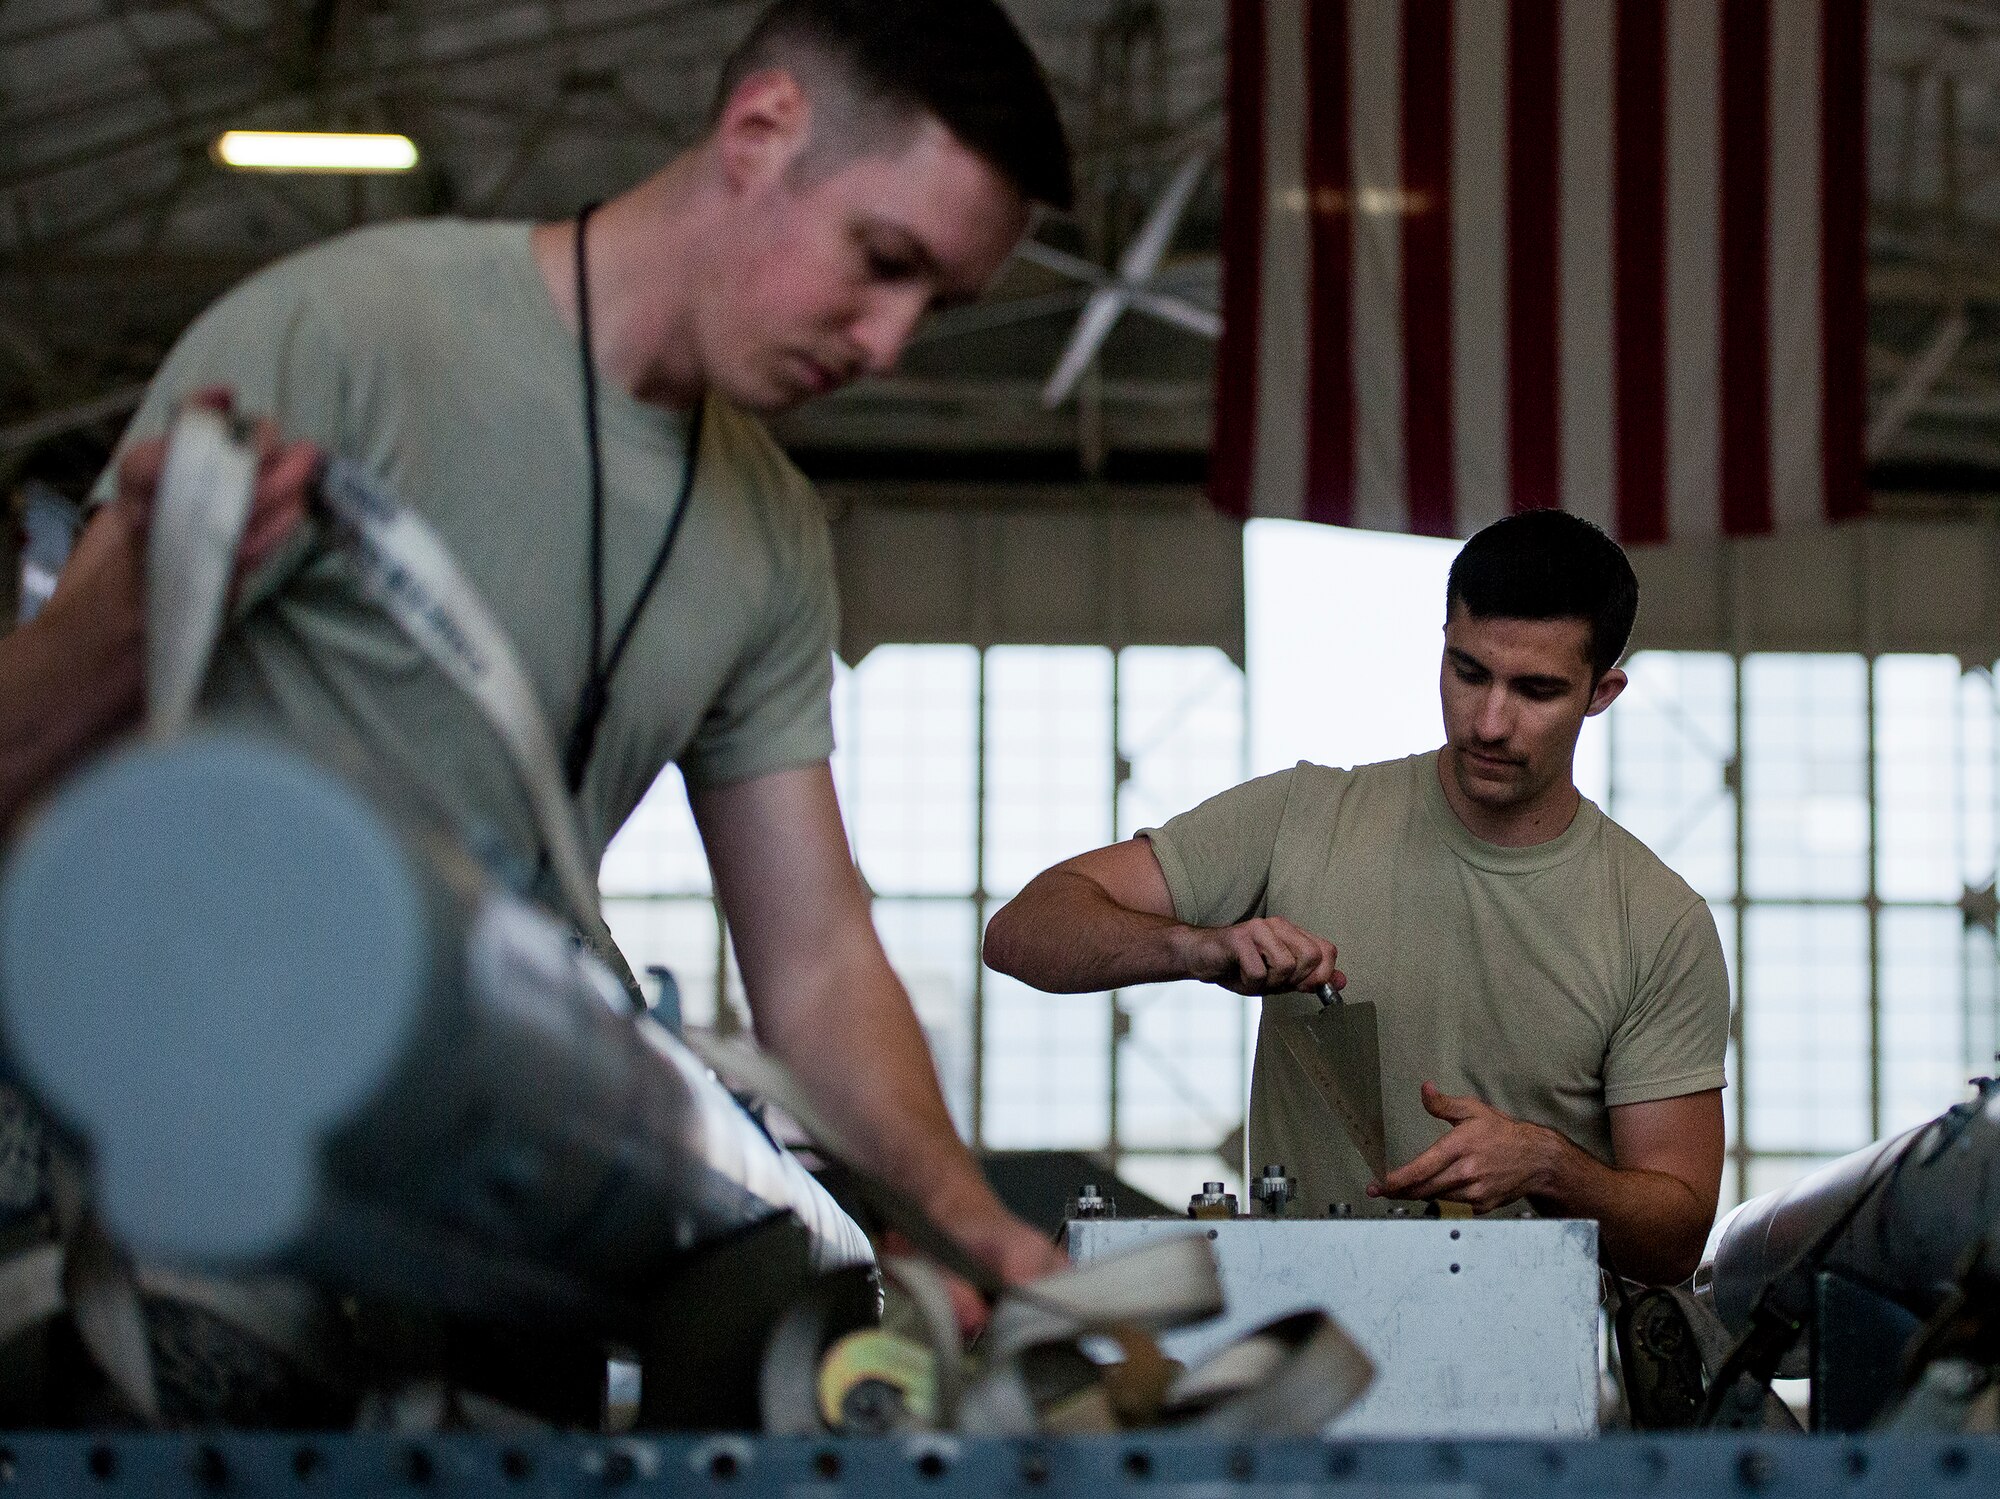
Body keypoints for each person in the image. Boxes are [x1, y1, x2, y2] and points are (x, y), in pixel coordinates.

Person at [0, 0, 1073, 1293]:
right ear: (761, 131)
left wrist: (961, 1215)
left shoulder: (774, 531)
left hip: (490, 1172)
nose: (890, 344)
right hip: (206, 1164)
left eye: (934, 302)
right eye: (882, 259)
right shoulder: (349, 336)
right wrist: (129, 609)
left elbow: (816, 959)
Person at [985, 512, 1729, 1284]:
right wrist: (1197, 946)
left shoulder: (1657, 923)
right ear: (1442, 645)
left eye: (1535, 690)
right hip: (1300, 1337)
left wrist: (1549, 1165)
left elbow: (1675, 1239)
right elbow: (1022, 930)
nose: (1489, 721)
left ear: (1602, 692)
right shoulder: (1301, 820)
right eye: (1468, 672)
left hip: (1529, 1350)